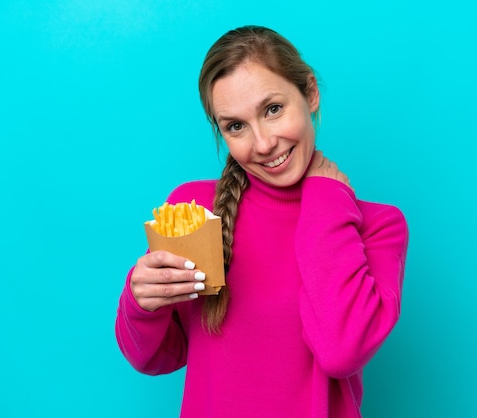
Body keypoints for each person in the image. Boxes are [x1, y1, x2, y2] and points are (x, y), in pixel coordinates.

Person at [115, 25, 408, 418]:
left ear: (310, 93)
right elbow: (155, 357)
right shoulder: (195, 209)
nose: (264, 143)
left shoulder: (377, 225)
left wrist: (325, 198)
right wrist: (140, 302)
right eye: (236, 126)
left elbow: (341, 352)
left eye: (273, 109)